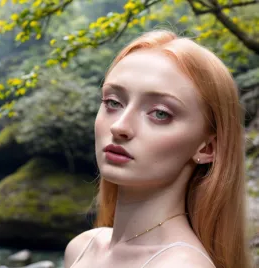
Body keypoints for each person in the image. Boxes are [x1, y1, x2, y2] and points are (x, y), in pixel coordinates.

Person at [64, 30, 252, 268]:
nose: (120, 126)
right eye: (113, 102)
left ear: (207, 148)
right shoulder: (82, 248)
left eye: (160, 114)